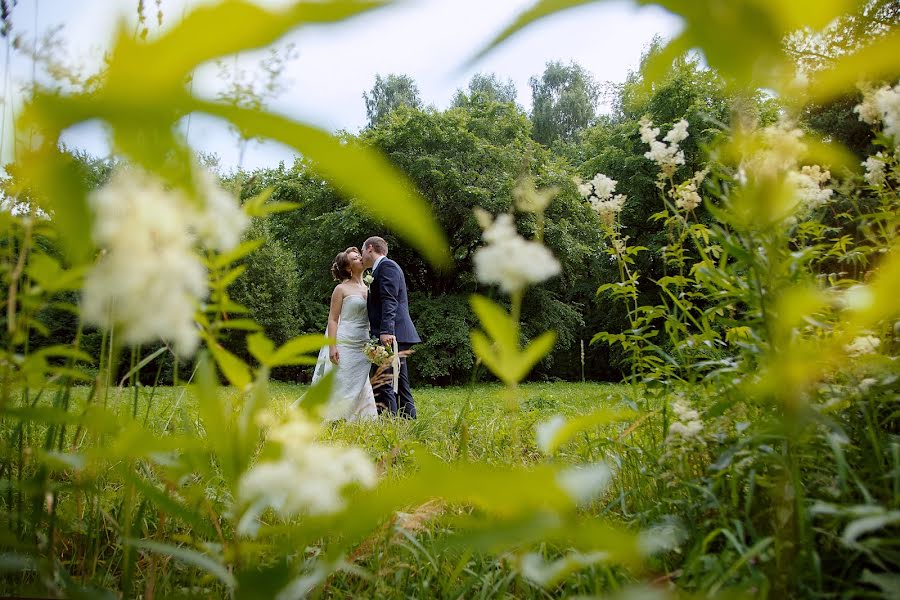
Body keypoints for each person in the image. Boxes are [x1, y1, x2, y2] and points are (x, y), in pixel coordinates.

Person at [304, 247, 377, 422]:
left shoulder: (369, 287)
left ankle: (360, 418)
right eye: (355, 258)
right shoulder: (341, 289)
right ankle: (331, 416)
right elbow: (333, 319)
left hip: (363, 343)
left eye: (360, 256)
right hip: (345, 341)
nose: (360, 258)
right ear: (347, 268)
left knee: (360, 381)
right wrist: (332, 346)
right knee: (341, 380)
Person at [361, 236, 420, 418]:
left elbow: (389, 300)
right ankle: (408, 419)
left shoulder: (387, 267)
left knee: (385, 382)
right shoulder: (380, 268)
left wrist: (387, 331)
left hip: (393, 333)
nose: (362, 255)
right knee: (400, 382)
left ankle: (390, 423)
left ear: (370, 248)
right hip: (396, 333)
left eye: (362, 250)